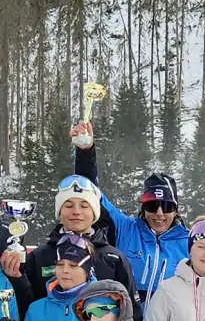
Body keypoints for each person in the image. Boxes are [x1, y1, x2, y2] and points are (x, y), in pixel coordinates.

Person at [71, 120, 189, 306]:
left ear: (176, 209)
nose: (159, 213)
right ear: (143, 208)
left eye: (167, 207)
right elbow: (90, 193)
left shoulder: (190, 243)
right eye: (152, 206)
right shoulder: (125, 229)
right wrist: (85, 151)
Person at [17, 172, 137, 315]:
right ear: (59, 212)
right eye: (68, 206)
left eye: (84, 206)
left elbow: (131, 313)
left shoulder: (113, 259)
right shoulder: (39, 257)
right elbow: (24, 306)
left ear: (94, 213)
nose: (76, 212)